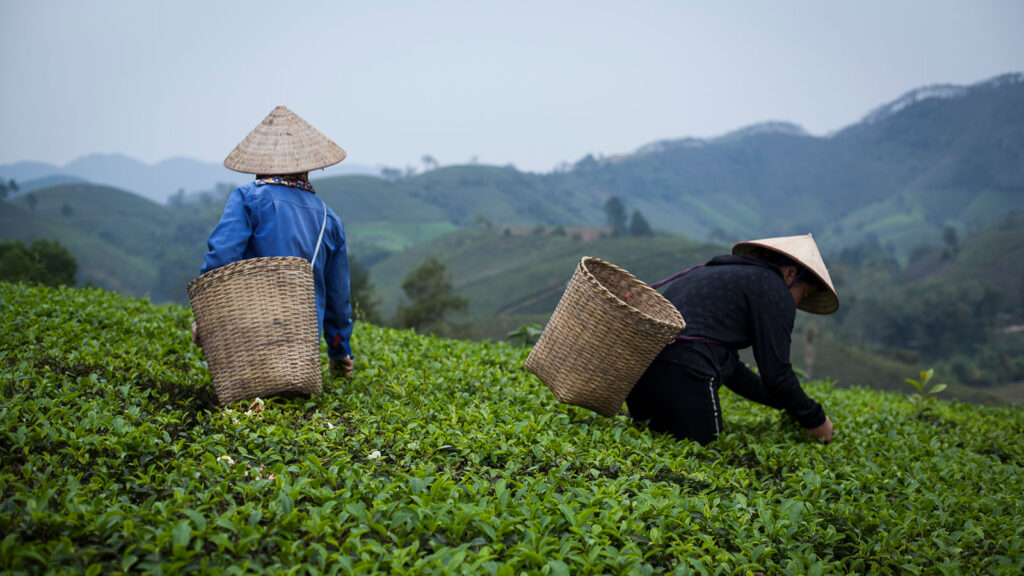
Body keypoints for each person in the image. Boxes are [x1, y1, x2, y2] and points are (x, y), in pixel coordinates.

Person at [627, 234, 838, 445]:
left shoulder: (715, 272)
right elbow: (777, 374)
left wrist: (788, 405)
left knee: (658, 444)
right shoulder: (774, 288)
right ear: (790, 274)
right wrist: (815, 419)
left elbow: (731, 370)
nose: (799, 303)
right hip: (686, 372)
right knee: (707, 454)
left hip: (641, 378)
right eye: (805, 294)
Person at [191, 105, 355, 377]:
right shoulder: (330, 219)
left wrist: (206, 319)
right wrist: (339, 351)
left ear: (261, 162)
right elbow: (338, 299)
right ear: (307, 166)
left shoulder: (247, 198)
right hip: (300, 356)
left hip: (246, 342)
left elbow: (221, 259)